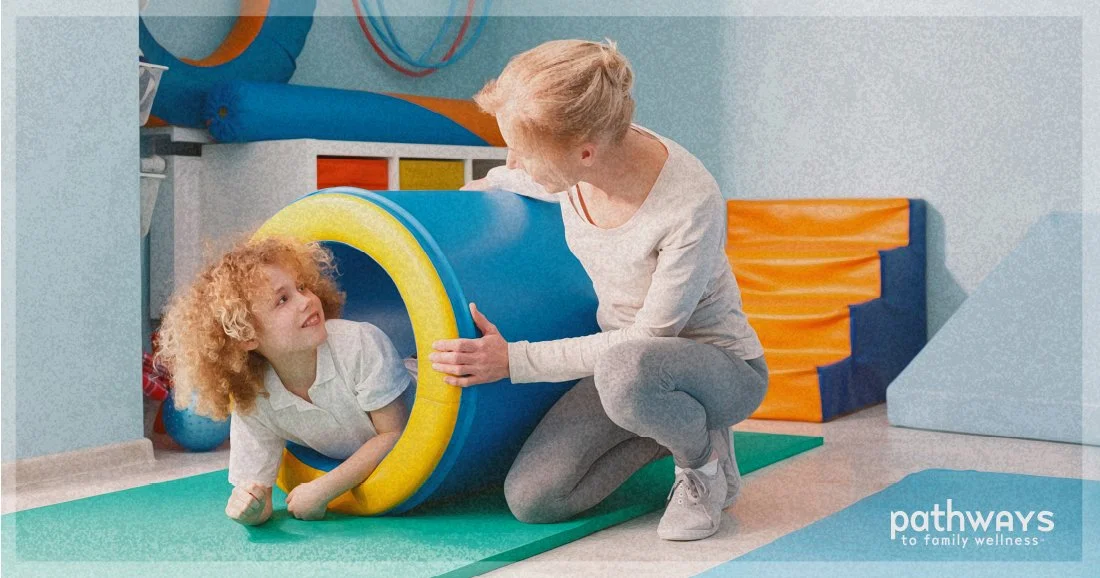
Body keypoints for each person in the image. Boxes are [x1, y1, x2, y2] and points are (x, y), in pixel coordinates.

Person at [432, 39, 769, 541]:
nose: (515, 161)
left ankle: (701, 463)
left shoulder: (689, 203)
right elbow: (524, 179)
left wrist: (513, 361)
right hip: (623, 374)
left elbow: (648, 338)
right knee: (534, 499)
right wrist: (472, 194)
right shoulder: (581, 157)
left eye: (524, 152)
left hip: (716, 368)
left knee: (625, 370)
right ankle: (675, 425)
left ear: (585, 153)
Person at [156, 236, 413, 525]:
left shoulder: (359, 343)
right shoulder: (255, 397)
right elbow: (260, 495)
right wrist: (249, 508)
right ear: (247, 336)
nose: (306, 300)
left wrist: (323, 490)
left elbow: (394, 434)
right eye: (282, 300)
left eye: (302, 287)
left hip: (435, 399)